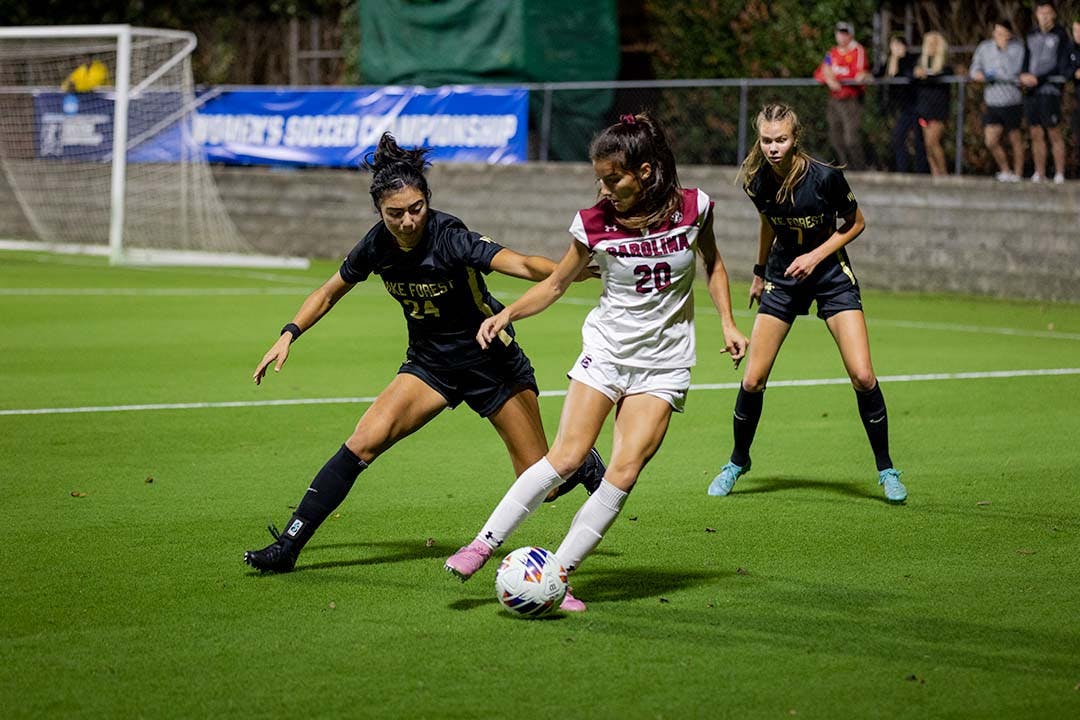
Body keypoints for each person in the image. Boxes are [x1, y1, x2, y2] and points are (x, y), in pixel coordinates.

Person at [242, 132, 606, 573]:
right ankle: (288, 547)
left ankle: (582, 463)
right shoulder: (377, 244)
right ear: (380, 211)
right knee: (362, 443)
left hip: (491, 364)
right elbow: (329, 291)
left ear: (427, 202)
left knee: (543, 487)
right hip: (429, 365)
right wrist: (289, 333)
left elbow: (523, 263)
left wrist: (568, 273)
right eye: (395, 213)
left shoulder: (449, 237)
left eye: (416, 209)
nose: (408, 221)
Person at [443, 113, 748, 611]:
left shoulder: (696, 207)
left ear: (646, 172)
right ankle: (484, 543)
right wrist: (507, 313)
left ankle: (557, 575)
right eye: (599, 178)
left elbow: (712, 263)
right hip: (606, 353)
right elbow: (557, 283)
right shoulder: (593, 223)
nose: (603, 189)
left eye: (613, 178)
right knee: (565, 458)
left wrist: (729, 323)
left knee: (625, 470)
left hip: (664, 364)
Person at [707, 103, 907, 505]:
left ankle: (886, 469)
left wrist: (816, 256)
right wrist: (760, 271)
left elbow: (856, 223)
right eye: (766, 140)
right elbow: (768, 221)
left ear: (795, 138)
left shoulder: (826, 178)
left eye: (781, 140)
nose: (773, 148)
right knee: (752, 379)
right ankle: (738, 461)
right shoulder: (757, 180)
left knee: (863, 376)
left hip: (831, 276)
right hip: (784, 276)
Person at [1020, 1, 1071, 183]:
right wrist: (1024, 75)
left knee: (1053, 131)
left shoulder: (1060, 35)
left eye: (1048, 13)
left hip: (1050, 90)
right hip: (1031, 91)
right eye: (1041, 13)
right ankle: (1039, 172)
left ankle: (1059, 172)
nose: (1044, 17)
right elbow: (1026, 59)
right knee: (1035, 132)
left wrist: (1039, 79)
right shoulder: (1031, 35)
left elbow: (1061, 65)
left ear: (1054, 14)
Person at [970, 21, 1027, 182]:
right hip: (992, 101)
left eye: (1002, 33)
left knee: (1015, 138)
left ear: (1009, 34)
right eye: (996, 33)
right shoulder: (985, 48)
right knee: (990, 140)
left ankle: (1018, 173)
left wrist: (1003, 52)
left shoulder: (1017, 49)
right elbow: (975, 68)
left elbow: (1015, 74)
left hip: (1012, 100)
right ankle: (1005, 170)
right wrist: (979, 75)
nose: (998, 37)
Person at [813, 21, 870, 170]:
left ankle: (860, 168)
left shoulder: (857, 50)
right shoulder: (832, 53)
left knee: (851, 138)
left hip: (851, 99)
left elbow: (858, 74)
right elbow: (820, 73)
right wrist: (830, 78)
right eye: (839, 33)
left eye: (845, 33)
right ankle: (847, 168)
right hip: (834, 99)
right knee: (836, 137)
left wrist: (835, 76)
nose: (842, 36)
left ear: (851, 34)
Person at [875, 35, 927, 173]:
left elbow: (904, 75)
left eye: (899, 45)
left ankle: (921, 171)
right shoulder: (888, 61)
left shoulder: (910, 59)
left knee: (918, 140)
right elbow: (880, 74)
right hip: (898, 107)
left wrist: (899, 59)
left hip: (914, 105)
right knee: (898, 137)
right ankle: (901, 169)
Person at [914, 32, 952, 177]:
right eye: (927, 43)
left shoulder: (944, 64)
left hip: (938, 110)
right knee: (927, 145)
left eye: (933, 43)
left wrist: (927, 77)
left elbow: (942, 77)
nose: (929, 47)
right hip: (924, 108)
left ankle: (943, 173)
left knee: (933, 141)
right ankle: (935, 173)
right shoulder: (922, 62)